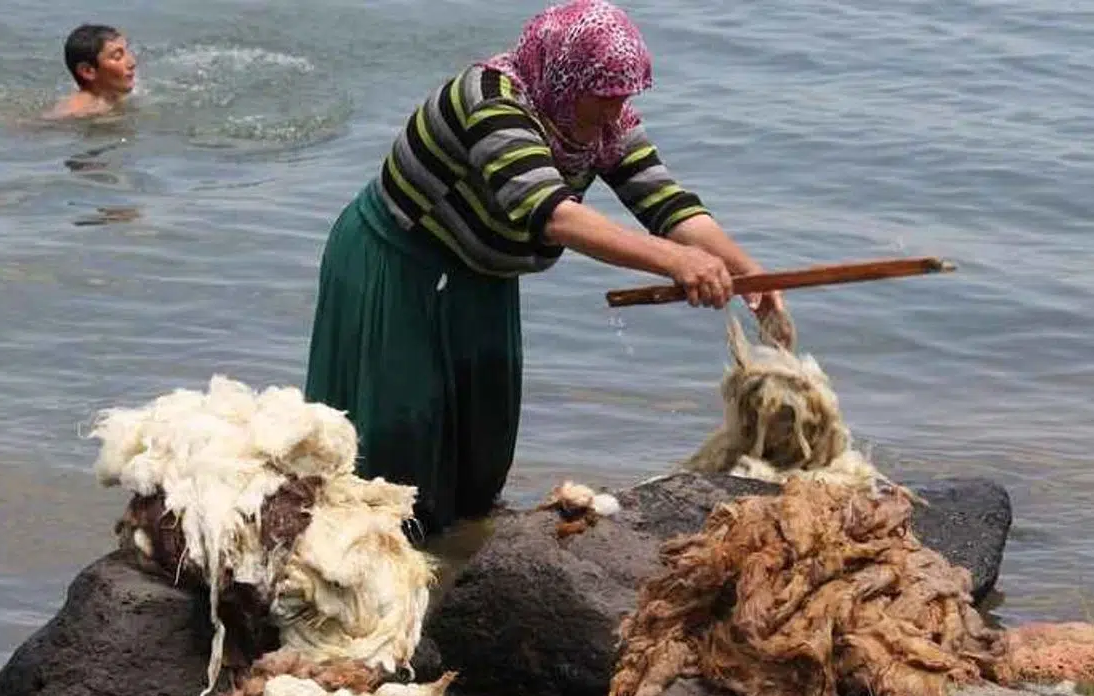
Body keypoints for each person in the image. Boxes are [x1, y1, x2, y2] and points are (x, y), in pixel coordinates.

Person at [304, 0, 793, 539]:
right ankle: (378, 557)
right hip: (398, 260)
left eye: (623, 96)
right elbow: (553, 214)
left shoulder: (604, 123)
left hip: (480, 275)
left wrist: (750, 273)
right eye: (602, 97)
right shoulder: (489, 102)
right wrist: (677, 262)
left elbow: (667, 204)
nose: (615, 111)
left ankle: (456, 560)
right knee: (400, 431)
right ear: (564, 76)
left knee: (481, 442)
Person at [45, 24, 137, 120]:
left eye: (127, 52)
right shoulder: (75, 113)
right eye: (117, 56)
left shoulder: (114, 94)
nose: (132, 63)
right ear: (87, 71)